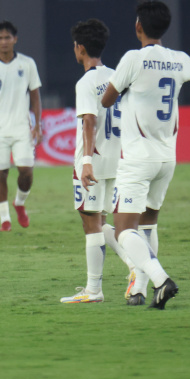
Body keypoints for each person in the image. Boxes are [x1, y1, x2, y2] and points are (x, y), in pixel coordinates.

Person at [102, 0, 190, 309]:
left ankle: (161, 280)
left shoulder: (133, 59)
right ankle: (140, 291)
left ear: (138, 27)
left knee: (123, 231)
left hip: (138, 158)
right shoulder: (178, 59)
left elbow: (107, 99)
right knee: (148, 225)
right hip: (167, 158)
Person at [60, 18, 134, 304]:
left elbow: (89, 122)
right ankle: (133, 264)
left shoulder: (86, 82)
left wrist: (87, 160)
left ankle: (94, 289)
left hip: (93, 160)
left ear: (80, 49)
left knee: (90, 223)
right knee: (101, 220)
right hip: (117, 158)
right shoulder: (118, 77)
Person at [0, 21, 43, 231]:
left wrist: (37, 124)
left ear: (15, 39)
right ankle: (5, 218)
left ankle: (20, 203)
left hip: (23, 127)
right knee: (0, 173)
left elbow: (35, 97)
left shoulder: (27, 64)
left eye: (7, 37)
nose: (3, 41)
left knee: (26, 171)